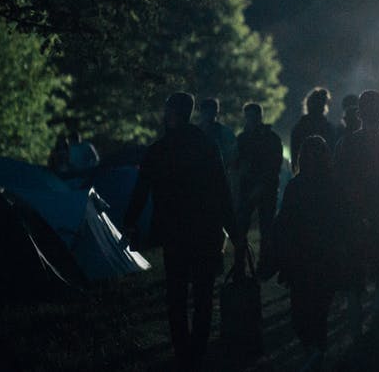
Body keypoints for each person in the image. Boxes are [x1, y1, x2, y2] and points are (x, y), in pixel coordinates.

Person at [121, 92, 247, 371]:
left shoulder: (160, 149)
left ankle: (182, 352)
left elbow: (142, 189)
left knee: (176, 295)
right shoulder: (207, 146)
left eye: (167, 110)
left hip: (174, 232)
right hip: (206, 231)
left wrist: (129, 221)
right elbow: (222, 193)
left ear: (173, 113)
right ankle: (197, 351)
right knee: (203, 294)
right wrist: (234, 233)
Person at [333, 90, 379, 339]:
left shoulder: (345, 145)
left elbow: (337, 185)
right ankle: (375, 325)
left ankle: (355, 337)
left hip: (352, 223)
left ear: (359, 114)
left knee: (354, 284)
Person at [267, 135, 347, 371]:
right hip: (325, 257)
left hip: (301, 258)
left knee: (301, 312)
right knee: (319, 311)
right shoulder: (333, 185)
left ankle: (314, 352)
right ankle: (317, 352)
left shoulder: (296, 185)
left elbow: (285, 221)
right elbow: (342, 221)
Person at [235, 102, 284, 273]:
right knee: (261, 229)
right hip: (260, 189)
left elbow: (274, 166)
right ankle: (258, 265)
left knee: (259, 229)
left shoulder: (246, 138)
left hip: (259, 189)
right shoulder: (269, 138)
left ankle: (247, 265)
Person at [199, 97, 240, 205]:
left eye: (211, 111)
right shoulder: (195, 133)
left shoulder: (225, 133)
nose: (209, 114)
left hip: (218, 181)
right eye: (207, 111)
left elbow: (233, 158)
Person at [290, 87, 335, 173]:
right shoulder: (329, 128)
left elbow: (294, 158)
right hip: (324, 176)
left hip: (304, 175)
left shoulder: (299, 128)